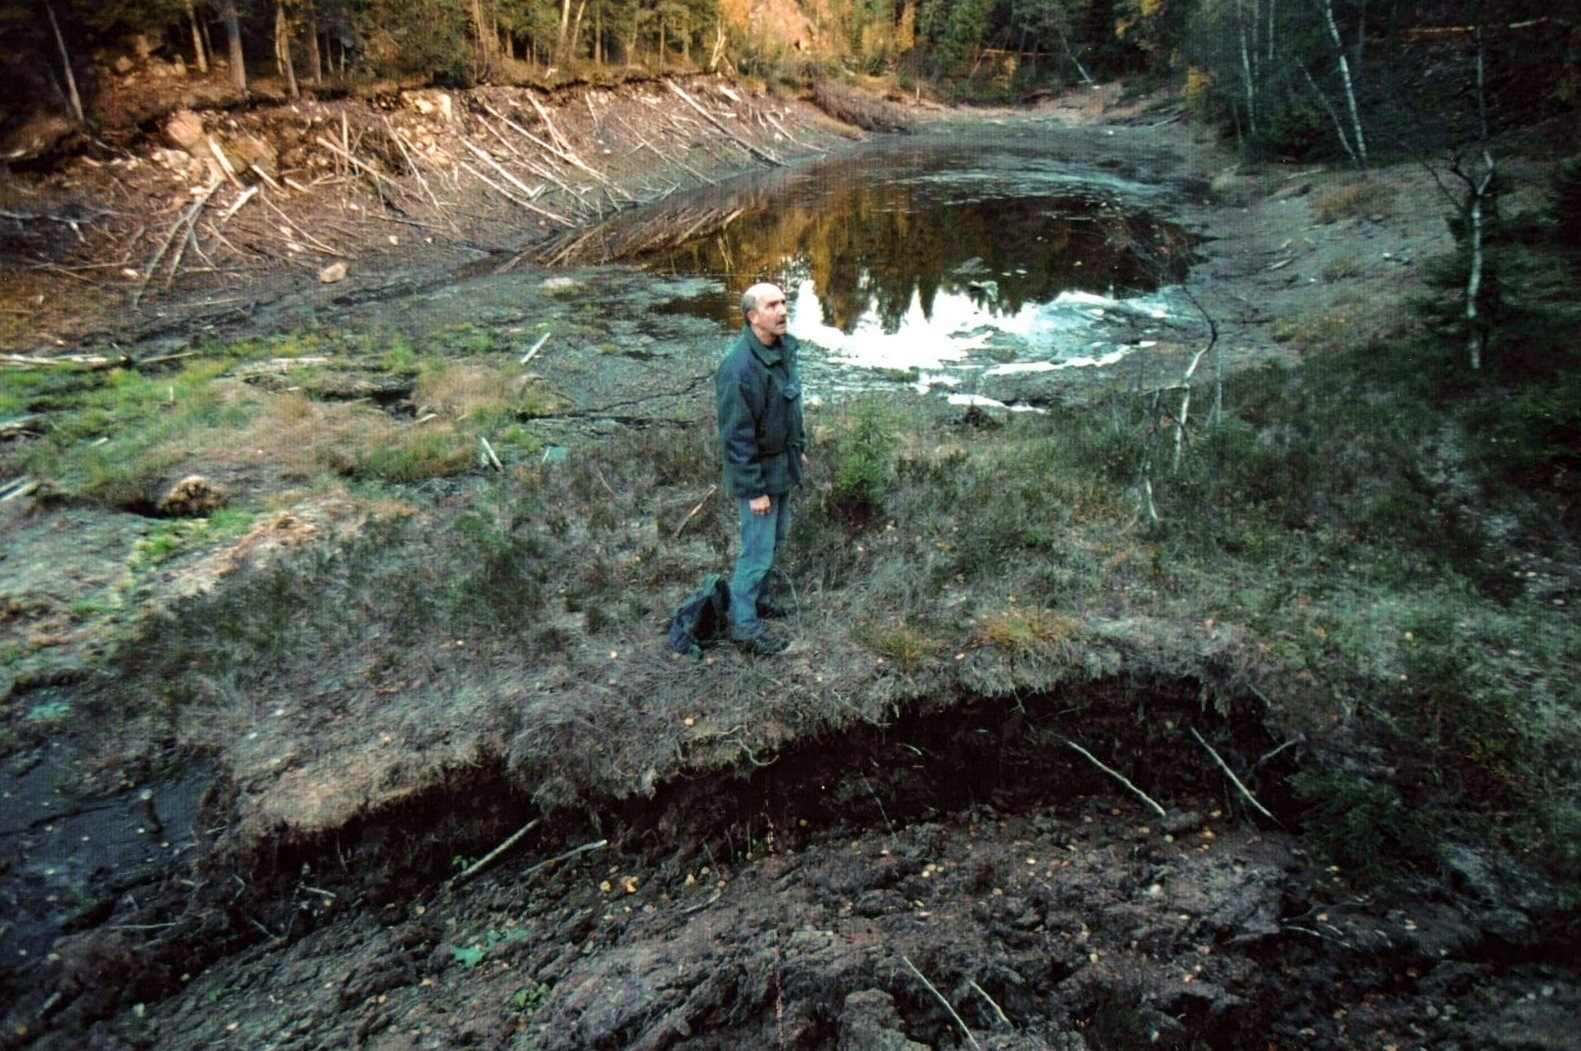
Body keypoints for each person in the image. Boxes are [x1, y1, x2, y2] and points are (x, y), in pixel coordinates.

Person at [715, 282, 808, 656]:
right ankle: (744, 626)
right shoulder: (738, 367)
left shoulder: (782, 350)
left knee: (776, 540)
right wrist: (754, 491)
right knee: (756, 553)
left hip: (782, 465)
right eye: (772, 305)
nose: (782, 310)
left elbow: (787, 407)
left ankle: (759, 600)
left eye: (784, 303)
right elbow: (736, 438)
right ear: (753, 316)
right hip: (760, 477)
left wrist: (797, 450)